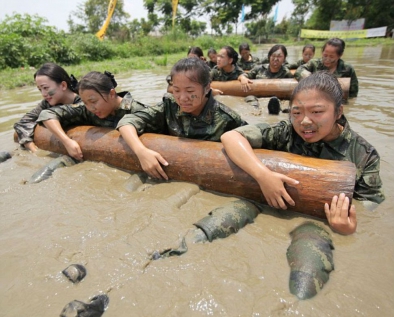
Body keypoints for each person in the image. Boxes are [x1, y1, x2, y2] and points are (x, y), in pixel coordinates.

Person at [221, 72, 384, 235]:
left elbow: (371, 207)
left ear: (338, 112)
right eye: (297, 113)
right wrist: (263, 176)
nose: (305, 121)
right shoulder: (286, 132)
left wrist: (347, 228)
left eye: (317, 112)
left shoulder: (364, 154)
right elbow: (230, 137)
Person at [117, 57, 247, 180]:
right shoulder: (169, 106)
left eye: (190, 91)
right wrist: (141, 152)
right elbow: (127, 121)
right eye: (176, 90)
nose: (182, 98)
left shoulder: (228, 119)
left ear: (207, 88)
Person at [36, 71, 148, 161]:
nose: (90, 108)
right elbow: (47, 114)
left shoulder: (137, 111)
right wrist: (66, 141)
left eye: (93, 101)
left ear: (112, 94)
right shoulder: (87, 110)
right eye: (85, 102)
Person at [14, 63, 80, 152]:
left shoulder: (85, 101)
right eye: (40, 89)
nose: (43, 94)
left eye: (45, 88)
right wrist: (32, 147)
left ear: (63, 85)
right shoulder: (46, 104)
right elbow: (23, 122)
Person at [294, 38, 359, 98]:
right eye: (325, 55)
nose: (327, 59)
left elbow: (353, 94)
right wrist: (310, 78)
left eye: (331, 57)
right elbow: (299, 70)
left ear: (340, 55)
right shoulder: (314, 64)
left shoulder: (348, 69)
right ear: (322, 52)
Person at [239, 45, 293, 114]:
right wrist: (243, 78)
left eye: (279, 56)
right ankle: (255, 110)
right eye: (273, 56)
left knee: (283, 102)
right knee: (250, 98)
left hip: (276, 99)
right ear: (269, 57)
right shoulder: (259, 69)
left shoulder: (286, 73)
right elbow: (243, 75)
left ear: (284, 58)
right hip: (257, 97)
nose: (276, 59)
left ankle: (277, 110)